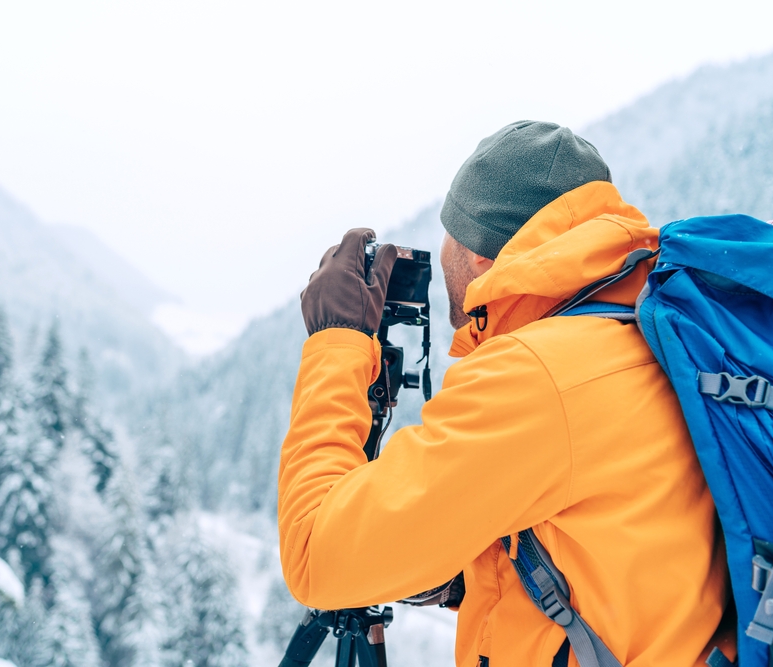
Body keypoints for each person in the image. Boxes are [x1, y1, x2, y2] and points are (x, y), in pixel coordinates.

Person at [277, 121, 734, 666]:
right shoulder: (649, 331)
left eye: (450, 232)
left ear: (481, 257)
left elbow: (316, 557)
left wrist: (337, 341)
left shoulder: (539, 375)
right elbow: (627, 549)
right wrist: (471, 571)